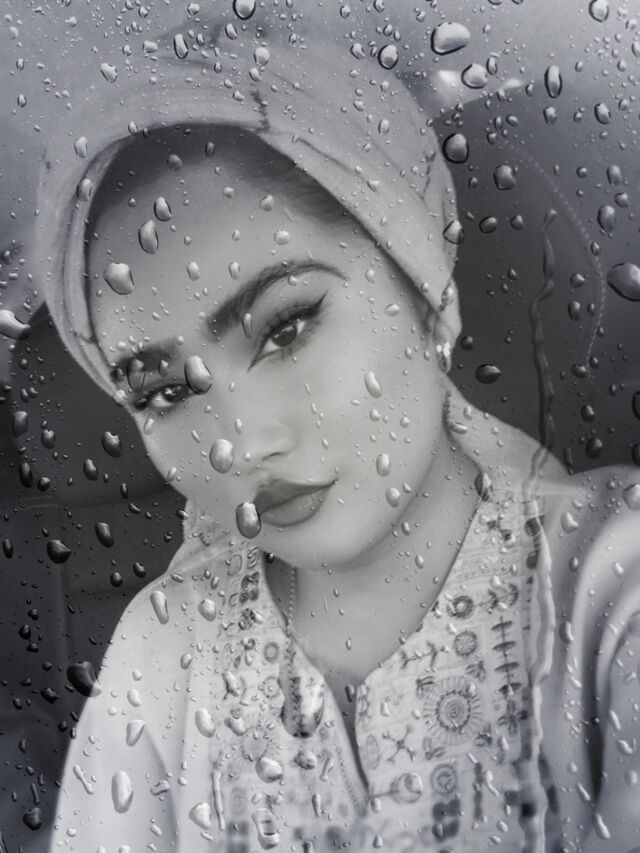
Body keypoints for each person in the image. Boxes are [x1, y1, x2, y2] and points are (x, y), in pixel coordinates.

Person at [37, 17, 640, 853]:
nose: (237, 443)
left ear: (428, 291)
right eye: (165, 391)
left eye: (285, 328)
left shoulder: (610, 580)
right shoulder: (166, 648)